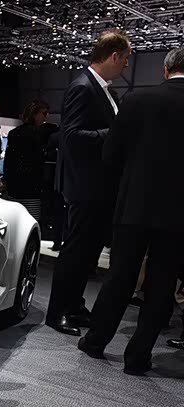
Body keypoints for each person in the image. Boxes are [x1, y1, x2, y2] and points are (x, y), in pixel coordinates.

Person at [76, 47, 184, 375]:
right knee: (163, 284)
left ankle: (96, 341)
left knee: (120, 275)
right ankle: (137, 358)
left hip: (134, 204)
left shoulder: (137, 100)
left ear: (165, 70)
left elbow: (110, 154)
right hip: (178, 214)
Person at [45, 30, 132, 336]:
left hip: (100, 188)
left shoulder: (105, 91)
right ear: (114, 56)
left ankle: (74, 305)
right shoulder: (82, 87)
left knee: (88, 253)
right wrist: (115, 133)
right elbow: (70, 138)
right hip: (85, 187)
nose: (126, 66)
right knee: (75, 252)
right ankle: (57, 312)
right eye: (125, 59)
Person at [3, 100, 50, 199]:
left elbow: (8, 159)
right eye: (44, 113)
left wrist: (6, 179)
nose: (47, 117)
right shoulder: (40, 134)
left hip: (15, 183)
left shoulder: (13, 133)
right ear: (34, 114)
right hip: (33, 184)